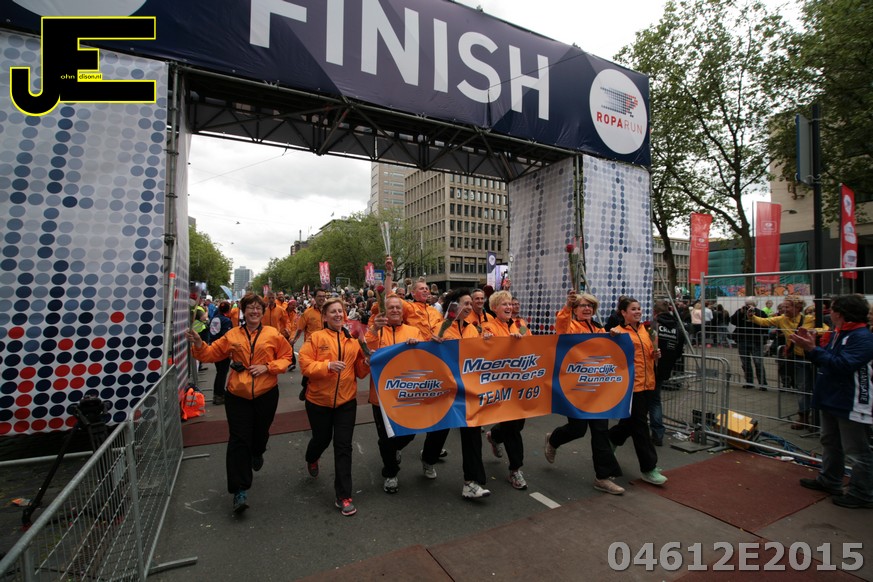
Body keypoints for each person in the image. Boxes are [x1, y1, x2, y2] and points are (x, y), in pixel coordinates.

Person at [187, 293, 294, 513]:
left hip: (266, 393)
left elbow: (287, 356)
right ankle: (239, 490)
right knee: (238, 439)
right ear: (243, 311)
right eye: (250, 308)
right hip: (237, 395)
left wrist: (268, 367)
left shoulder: (273, 334)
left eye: (258, 308)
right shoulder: (232, 335)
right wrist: (198, 343)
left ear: (262, 311)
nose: (254, 311)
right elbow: (210, 354)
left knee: (260, 433)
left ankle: (258, 451)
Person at [791, 295, 873, 509]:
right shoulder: (839, 333)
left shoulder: (861, 337)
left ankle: (863, 492)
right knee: (830, 441)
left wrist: (813, 349)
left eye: (833, 309)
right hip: (831, 397)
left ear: (842, 313)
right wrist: (810, 347)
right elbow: (826, 360)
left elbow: (843, 365)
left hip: (850, 400)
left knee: (857, 450)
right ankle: (830, 479)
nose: (830, 313)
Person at [545, 291, 625, 495]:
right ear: (575, 310)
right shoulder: (570, 326)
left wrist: (614, 337)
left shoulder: (599, 329)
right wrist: (567, 306)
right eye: (582, 305)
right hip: (575, 390)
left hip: (597, 390)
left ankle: (602, 477)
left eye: (590, 305)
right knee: (577, 429)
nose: (587, 308)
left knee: (600, 431)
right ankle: (553, 439)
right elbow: (561, 325)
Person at [299, 297, 369, 517]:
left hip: (346, 402)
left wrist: (366, 363)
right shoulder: (315, 338)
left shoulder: (353, 340)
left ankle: (344, 495)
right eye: (333, 312)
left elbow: (359, 372)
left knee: (343, 446)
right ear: (325, 316)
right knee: (321, 439)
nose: (338, 315)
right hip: (318, 401)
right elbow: (305, 365)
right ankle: (312, 457)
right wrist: (327, 366)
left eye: (341, 311)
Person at [365, 294, 428, 495]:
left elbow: (425, 358)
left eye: (397, 307)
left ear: (402, 312)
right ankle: (390, 473)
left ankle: (396, 447)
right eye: (390, 307)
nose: (394, 310)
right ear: (385, 311)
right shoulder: (375, 331)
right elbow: (366, 351)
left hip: (408, 393)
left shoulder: (414, 331)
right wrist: (373, 331)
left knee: (410, 432)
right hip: (380, 395)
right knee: (386, 438)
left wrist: (417, 346)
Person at [434, 288, 491, 499]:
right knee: (438, 432)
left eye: (470, 304)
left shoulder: (473, 329)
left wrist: (487, 343)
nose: (469, 307)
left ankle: (471, 482)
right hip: (446, 392)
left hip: (468, 391)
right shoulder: (440, 327)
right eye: (465, 303)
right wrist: (435, 341)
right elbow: (429, 354)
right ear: (453, 305)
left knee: (472, 433)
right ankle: (429, 458)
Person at [607, 297, 668, 486]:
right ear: (623, 313)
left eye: (639, 308)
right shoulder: (618, 332)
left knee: (631, 422)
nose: (638, 311)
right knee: (641, 426)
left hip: (649, 384)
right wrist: (613, 335)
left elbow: (647, 354)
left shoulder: (645, 330)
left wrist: (655, 354)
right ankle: (648, 468)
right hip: (632, 386)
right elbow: (612, 355)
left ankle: (610, 440)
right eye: (633, 309)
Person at [749, 296, 827, 429]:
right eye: (784, 306)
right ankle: (803, 417)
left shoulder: (809, 319)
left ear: (798, 307)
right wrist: (752, 316)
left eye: (788, 306)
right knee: (802, 388)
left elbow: (826, 329)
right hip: (798, 358)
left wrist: (813, 331)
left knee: (818, 388)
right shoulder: (781, 319)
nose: (784, 309)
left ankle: (818, 419)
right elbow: (764, 322)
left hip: (815, 359)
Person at [482, 290, 529, 490]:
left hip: (520, 382)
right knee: (512, 427)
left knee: (519, 424)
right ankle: (515, 470)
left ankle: (495, 435)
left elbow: (531, 344)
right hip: (501, 385)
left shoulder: (521, 324)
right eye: (504, 304)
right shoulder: (488, 326)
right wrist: (487, 339)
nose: (509, 307)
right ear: (494, 308)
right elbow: (487, 350)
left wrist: (521, 339)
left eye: (510, 304)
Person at [650, 299, 685, 446]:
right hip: (665, 368)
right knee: (655, 401)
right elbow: (679, 352)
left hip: (649, 368)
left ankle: (638, 429)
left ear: (655, 312)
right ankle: (658, 433)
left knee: (645, 401)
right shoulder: (677, 327)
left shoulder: (653, 326)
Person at [730, 298, 769, 390]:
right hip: (742, 340)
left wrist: (754, 313)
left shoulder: (761, 313)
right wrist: (741, 312)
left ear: (755, 305)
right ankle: (749, 382)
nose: (748, 306)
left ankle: (763, 383)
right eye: (747, 304)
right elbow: (732, 321)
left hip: (756, 341)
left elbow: (765, 325)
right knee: (745, 362)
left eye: (750, 304)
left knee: (758, 362)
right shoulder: (740, 312)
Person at [208, 301, 234, 405]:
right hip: (222, 350)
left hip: (214, 347)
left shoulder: (214, 318)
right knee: (222, 373)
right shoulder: (226, 321)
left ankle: (217, 393)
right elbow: (227, 337)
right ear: (228, 310)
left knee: (219, 372)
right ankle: (219, 395)